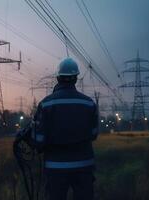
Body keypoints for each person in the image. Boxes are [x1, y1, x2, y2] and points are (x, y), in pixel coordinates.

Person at [31, 58, 99, 200]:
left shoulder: (46, 104)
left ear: (58, 78)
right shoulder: (88, 103)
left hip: (55, 167)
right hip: (84, 166)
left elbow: (39, 140)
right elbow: (93, 134)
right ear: (76, 78)